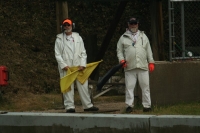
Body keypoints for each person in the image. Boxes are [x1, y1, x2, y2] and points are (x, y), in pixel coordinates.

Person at [54, 18, 99, 113]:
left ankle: (87, 105)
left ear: (72, 26)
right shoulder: (59, 39)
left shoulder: (78, 38)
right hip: (66, 67)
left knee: (83, 86)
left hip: (78, 67)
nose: (67, 27)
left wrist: (83, 64)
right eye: (65, 25)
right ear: (62, 26)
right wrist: (63, 65)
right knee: (68, 87)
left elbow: (83, 52)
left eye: (68, 25)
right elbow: (57, 54)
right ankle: (69, 106)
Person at [116, 17, 155, 113]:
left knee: (145, 87)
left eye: (135, 23)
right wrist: (121, 60)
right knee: (129, 87)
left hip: (142, 65)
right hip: (129, 66)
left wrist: (151, 62)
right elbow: (119, 51)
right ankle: (129, 106)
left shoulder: (143, 36)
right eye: (131, 23)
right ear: (128, 24)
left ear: (138, 24)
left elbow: (148, 50)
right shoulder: (123, 37)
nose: (133, 25)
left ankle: (147, 106)